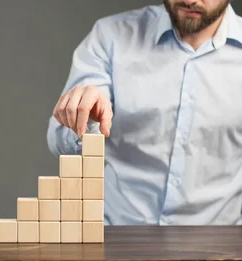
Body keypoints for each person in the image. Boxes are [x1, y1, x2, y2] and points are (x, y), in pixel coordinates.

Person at [47, 0, 242, 225]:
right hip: (116, 239)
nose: (189, 0)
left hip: (218, 249)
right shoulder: (111, 35)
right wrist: (84, 121)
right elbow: (58, 138)